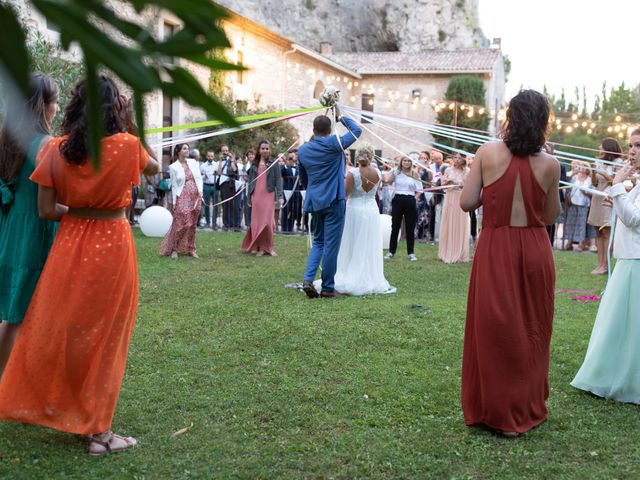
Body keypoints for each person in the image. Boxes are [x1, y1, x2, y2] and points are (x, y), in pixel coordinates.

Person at [0, 75, 159, 454]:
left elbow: (45, 209)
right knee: (106, 337)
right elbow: (154, 167)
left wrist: (80, 212)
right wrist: (133, 124)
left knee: (66, 330)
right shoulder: (127, 146)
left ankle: (61, 406)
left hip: (70, 245)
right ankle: (98, 433)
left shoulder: (56, 149)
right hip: (112, 247)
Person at [460, 89, 560, 437]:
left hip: (496, 246)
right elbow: (550, 215)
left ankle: (496, 409)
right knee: (533, 327)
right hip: (534, 246)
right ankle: (524, 405)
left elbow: (467, 202)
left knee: (494, 326)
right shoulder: (550, 164)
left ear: (510, 117)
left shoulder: (487, 152)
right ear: (543, 122)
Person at [571, 128, 640, 403]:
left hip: (636, 260)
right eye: (631, 145)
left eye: (638, 146)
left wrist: (618, 188)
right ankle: (609, 373)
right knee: (616, 322)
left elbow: (635, 220)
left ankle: (623, 378)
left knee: (628, 325)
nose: (633, 151)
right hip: (629, 257)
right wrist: (620, 194)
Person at [0, 73, 60, 377]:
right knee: (19, 314)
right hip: (34, 231)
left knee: (13, 311)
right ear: (43, 105)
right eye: (55, 101)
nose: (58, 108)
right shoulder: (46, 144)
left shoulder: (7, 138)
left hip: (10, 229)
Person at [299, 107, 362, 298]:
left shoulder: (303, 150)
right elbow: (357, 131)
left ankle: (308, 279)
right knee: (331, 245)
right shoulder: (335, 144)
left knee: (318, 242)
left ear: (314, 129)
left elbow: (303, 179)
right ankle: (327, 288)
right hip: (334, 200)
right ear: (329, 129)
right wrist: (341, 116)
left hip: (315, 200)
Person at [328, 144, 394, 295]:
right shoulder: (377, 172)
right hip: (371, 210)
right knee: (368, 243)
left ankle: (351, 274)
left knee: (352, 242)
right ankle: (368, 276)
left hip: (355, 210)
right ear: (371, 157)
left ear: (356, 157)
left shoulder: (352, 173)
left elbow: (345, 195)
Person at [159, 143, 203, 259]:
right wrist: (174, 202)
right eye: (184, 148)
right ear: (178, 151)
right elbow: (174, 185)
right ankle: (175, 249)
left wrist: (200, 193)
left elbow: (199, 178)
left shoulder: (193, 163)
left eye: (188, 148)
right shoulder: (173, 167)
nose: (187, 150)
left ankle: (191, 249)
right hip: (182, 195)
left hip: (195, 195)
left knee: (192, 224)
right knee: (182, 223)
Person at [241, 140, 283, 256]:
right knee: (257, 222)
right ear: (259, 150)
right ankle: (258, 247)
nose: (265, 150)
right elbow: (250, 181)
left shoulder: (274, 163)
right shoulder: (254, 164)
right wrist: (249, 197)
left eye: (267, 148)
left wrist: (280, 195)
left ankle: (268, 247)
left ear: (269, 150)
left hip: (268, 195)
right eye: (262, 148)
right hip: (256, 196)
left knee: (268, 222)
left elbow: (278, 180)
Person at [588, 138, 622, 274]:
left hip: (608, 199)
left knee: (607, 231)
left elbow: (615, 181)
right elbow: (595, 183)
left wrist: (601, 171)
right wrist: (593, 171)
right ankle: (599, 264)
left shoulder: (618, 163)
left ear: (608, 148)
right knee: (598, 231)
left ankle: (606, 265)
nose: (599, 147)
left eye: (601, 146)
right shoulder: (598, 161)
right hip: (597, 197)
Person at [383, 156, 423, 261]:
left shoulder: (415, 174)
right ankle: (391, 251)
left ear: (411, 162)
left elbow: (420, 189)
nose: (407, 162)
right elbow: (387, 181)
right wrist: (393, 172)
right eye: (405, 160)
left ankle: (411, 253)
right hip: (398, 199)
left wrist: (414, 198)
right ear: (401, 162)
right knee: (395, 226)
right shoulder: (397, 172)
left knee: (410, 227)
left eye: (409, 160)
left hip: (410, 199)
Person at [438, 154, 470, 263]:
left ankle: (459, 252)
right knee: (449, 221)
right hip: (450, 198)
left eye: (459, 158)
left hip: (460, 198)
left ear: (463, 160)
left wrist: (456, 182)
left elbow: (469, 186)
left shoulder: (467, 171)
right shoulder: (447, 170)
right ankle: (447, 252)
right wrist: (447, 182)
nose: (457, 160)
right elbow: (442, 184)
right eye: (455, 157)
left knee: (459, 222)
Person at [563, 162, 592, 251]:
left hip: (583, 204)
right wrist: (567, 198)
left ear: (587, 170)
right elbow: (568, 188)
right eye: (580, 166)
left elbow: (591, 192)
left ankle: (581, 243)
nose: (581, 168)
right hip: (572, 203)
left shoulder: (589, 179)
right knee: (570, 223)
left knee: (581, 224)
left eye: (583, 167)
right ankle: (569, 242)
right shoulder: (574, 178)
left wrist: (585, 191)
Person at [217, 144, 238, 230]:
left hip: (231, 184)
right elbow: (219, 172)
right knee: (225, 204)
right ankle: (225, 224)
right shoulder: (220, 162)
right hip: (223, 184)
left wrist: (232, 159)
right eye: (223, 151)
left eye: (226, 151)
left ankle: (232, 224)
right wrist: (220, 160)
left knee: (231, 204)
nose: (225, 153)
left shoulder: (231, 160)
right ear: (221, 152)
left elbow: (234, 170)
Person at [414, 151, 433, 242]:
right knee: (416, 212)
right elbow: (414, 176)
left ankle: (423, 233)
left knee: (424, 212)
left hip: (425, 193)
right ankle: (415, 232)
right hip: (417, 192)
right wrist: (418, 167)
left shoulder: (428, 168)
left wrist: (427, 167)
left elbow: (430, 179)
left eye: (425, 158)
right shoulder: (415, 167)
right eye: (421, 158)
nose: (423, 159)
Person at [429, 150, 447, 242]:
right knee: (435, 215)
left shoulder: (446, 167)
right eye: (436, 159)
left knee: (445, 215)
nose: (438, 160)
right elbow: (429, 180)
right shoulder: (430, 167)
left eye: (439, 158)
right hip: (435, 193)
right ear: (433, 159)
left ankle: (444, 236)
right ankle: (435, 236)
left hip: (445, 193)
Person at [281, 153, 300, 233]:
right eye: (289, 158)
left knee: (295, 210)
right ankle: (284, 228)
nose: (291, 159)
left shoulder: (298, 167)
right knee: (286, 210)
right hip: (287, 192)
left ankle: (290, 227)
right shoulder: (285, 168)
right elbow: (282, 173)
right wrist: (286, 164)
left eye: (292, 157)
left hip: (296, 193)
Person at [200, 150, 218, 229]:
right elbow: (200, 177)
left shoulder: (217, 165)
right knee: (206, 204)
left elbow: (219, 174)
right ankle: (208, 222)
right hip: (206, 185)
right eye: (209, 156)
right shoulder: (203, 166)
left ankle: (214, 223)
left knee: (215, 205)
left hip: (215, 186)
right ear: (206, 156)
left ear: (213, 157)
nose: (210, 157)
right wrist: (204, 176)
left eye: (211, 156)